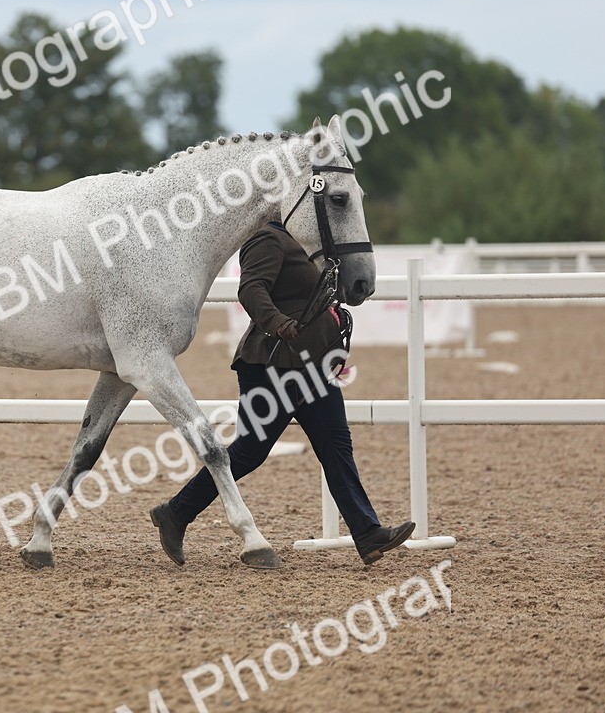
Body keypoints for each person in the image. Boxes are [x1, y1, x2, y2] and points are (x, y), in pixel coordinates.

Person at [150, 220, 414, 567]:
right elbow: (251, 289)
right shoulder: (267, 238)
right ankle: (176, 512)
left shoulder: (313, 242)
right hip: (271, 361)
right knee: (250, 451)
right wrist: (277, 322)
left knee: (336, 447)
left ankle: (367, 533)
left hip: (314, 362)